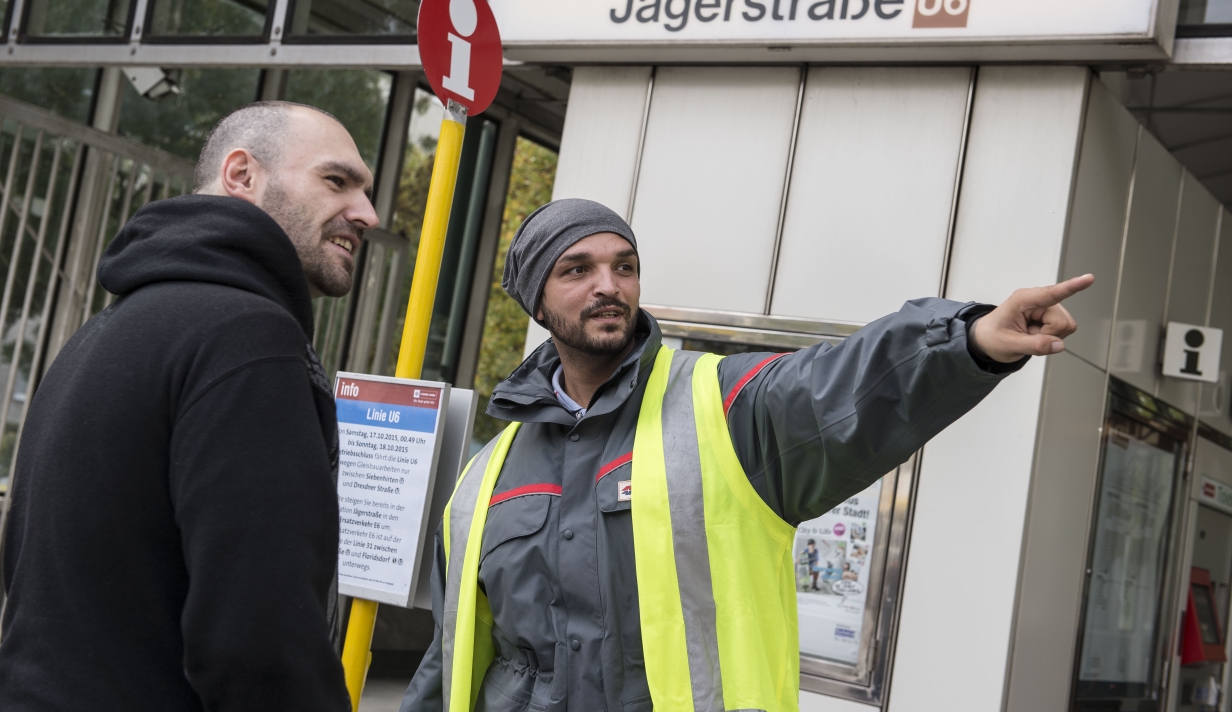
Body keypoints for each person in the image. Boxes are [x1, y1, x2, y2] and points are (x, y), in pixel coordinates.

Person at [401, 197, 1092, 712]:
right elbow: (454, 653)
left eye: (625, 266)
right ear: (536, 300)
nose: (608, 285)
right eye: (577, 269)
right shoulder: (483, 480)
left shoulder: (724, 406)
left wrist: (968, 341)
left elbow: (844, 383)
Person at [0, 102, 377, 711]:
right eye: (337, 181)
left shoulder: (104, 333)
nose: (368, 213)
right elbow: (261, 634)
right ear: (241, 174)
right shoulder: (248, 338)